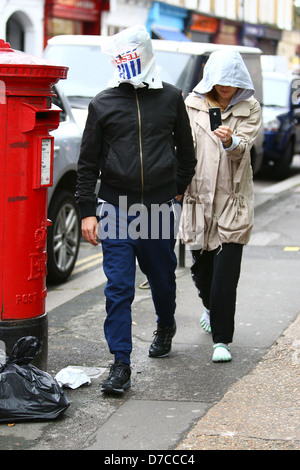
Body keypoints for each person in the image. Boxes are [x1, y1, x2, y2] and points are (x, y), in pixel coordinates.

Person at [75, 25, 196, 394]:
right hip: (115, 206)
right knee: (119, 288)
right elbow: (87, 163)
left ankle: (166, 323)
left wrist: (174, 192)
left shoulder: (172, 98)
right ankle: (121, 364)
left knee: (161, 278)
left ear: (144, 55)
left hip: (158, 205)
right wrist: (87, 211)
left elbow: (187, 156)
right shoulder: (102, 103)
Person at [179, 49, 262, 363]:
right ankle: (210, 306)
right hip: (197, 197)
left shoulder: (249, 107)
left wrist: (230, 142)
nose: (225, 86)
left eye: (231, 80)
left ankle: (221, 340)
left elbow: (245, 145)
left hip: (233, 198)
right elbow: (183, 147)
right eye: (220, 80)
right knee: (202, 270)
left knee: (226, 274)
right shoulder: (191, 104)